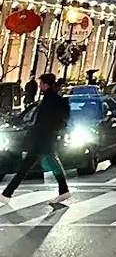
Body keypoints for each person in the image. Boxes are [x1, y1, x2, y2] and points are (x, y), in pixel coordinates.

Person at [1, 71, 71, 206]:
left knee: (26, 168)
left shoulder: (51, 99)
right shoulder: (51, 98)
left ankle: (7, 194)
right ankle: (7, 194)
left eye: (41, 84)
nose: (39, 86)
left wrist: (35, 134)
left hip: (43, 139)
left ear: (46, 84)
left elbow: (45, 121)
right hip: (45, 138)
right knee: (32, 166)